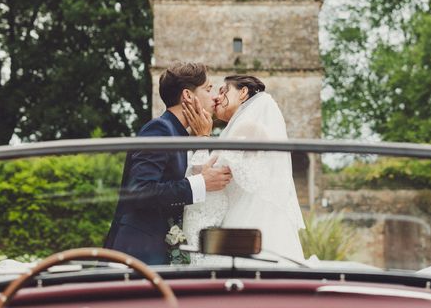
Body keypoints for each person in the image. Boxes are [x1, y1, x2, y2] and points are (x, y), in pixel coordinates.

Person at [104, 62, 232, 265]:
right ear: (188, 96)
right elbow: (140, 190)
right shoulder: (160, 129)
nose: (214, 96)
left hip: (155, 254)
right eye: (208, 89)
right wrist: (200, 183)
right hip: (136, 255)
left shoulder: (178, 134)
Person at [182, 75, 305, 263]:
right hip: (242, 220)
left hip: (245, 221)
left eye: (223, 91)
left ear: (243, 92)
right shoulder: (242, 128)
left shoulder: (247, 128)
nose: (216, 97)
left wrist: (203, 136)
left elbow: (204, 175)